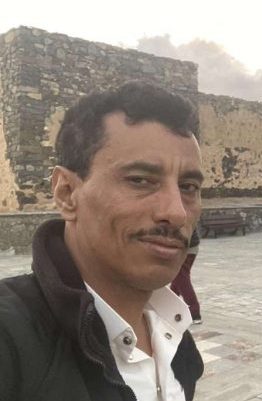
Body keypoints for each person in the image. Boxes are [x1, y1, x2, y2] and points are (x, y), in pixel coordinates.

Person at [0, 81, 204, 401]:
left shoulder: (176, 337)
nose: (177, 213)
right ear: (67, 193)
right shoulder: (12, 338)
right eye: (140, 180)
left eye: (188, 187)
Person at [171, 227, 202, 323]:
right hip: (187, 246)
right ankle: (168, 305)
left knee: (182, 279)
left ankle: (194, 312)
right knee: (178, 278)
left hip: (186, 247)